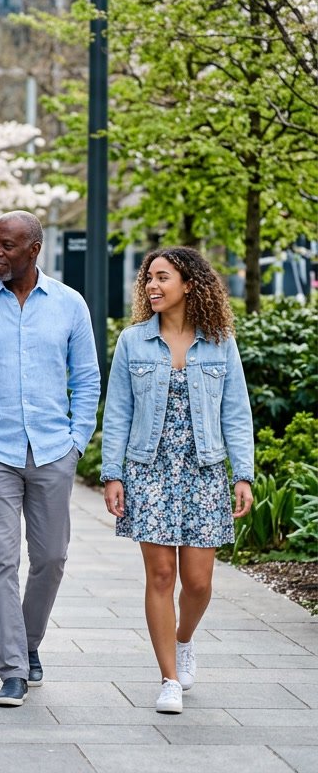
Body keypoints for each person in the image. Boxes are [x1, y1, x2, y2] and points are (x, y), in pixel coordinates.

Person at [0, 211, 99, 708]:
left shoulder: (70, 305)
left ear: (34, 249)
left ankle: (28, 643)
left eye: (7, 246)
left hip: (53, 450)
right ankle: (11, 668)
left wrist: (77, 442)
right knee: (0, 561)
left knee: (51, 558)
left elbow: (88, 378)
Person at [101, 247, 254, 715]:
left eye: (162, 277)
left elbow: (236, 410)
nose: (151, 285)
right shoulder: (133, 341)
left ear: (189, 284)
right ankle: (168, 677)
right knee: (162, 574)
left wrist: (243, 473)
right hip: (149, 469)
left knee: (199, 582)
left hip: (204, 470)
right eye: (148, 278)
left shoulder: (219, 340)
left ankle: (184, 639)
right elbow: (119, 411)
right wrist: (113, 473)